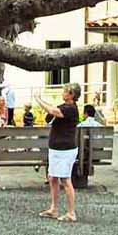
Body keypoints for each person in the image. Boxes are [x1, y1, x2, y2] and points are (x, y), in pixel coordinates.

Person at [34, 82, 80, 222]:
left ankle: (71, 212)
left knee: (65, 180)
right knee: (52, 177)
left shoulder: (71, 109)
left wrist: (38, 99)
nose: (63, 92)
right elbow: (51, 113)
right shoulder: (63, 106)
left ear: (71, 95)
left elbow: (54, 112)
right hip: (56, 148)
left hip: (65, 149)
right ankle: (53, 209)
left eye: (65, 91)